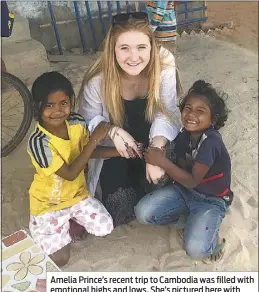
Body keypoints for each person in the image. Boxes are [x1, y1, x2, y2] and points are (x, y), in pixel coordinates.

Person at [78, 12, 181, 227]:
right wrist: (113, 131)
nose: (133, 57)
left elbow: (168, 110)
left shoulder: (164, 63)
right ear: (112, 49)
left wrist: (156, 154)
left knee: (157, 185)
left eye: (141, 47)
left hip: (153, 141)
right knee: (119, 211)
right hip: (116, 149)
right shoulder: (98, 80)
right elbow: (87, 124)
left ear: (152, 47)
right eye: (124, 48)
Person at [135, 80, 233, 263]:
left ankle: (211, 238)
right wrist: (158, 157)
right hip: (184, 191)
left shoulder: (210, 142)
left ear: (213, 119)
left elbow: (192, 181)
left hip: (211, 200)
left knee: (196, 250)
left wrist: (162, 161)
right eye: (187, 108)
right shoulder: (184, 135)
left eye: (200, 111)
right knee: (143, 212)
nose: (191, 115)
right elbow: (180, 168)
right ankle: (194, 221)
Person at [28, 71, 114, 267]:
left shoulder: (76, 122)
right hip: (48, 204)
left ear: (71, 102)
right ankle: (44, 225)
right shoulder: (38, 143)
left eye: (63, 103)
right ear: (37, 106)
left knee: (105, 227)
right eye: (49, 105)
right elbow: (69, 174)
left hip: (76, 196)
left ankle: (72, 218)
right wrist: (93, 140)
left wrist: (121, 151)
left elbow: (89, 152)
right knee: (60, 259)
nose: (57, 111)